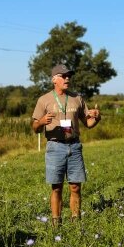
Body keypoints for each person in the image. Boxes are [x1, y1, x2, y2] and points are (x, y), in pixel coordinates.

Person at [31, 64, 101, 226]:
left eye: (69, 76)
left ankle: (76, 222)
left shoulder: (77, 98)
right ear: (54, 79)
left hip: (74, 146)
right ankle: (56, 223)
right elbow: (35, 128)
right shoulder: (44, 100)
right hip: (55, 147)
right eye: (63, 76)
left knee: (75, 186)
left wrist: (97, 117)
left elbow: (88, 123)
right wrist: (41, 122)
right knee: (56, 187)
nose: (67, 78)